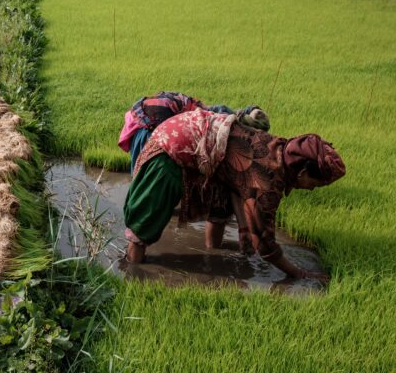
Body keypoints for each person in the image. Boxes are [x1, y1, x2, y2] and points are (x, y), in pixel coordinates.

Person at [123, 108, 345, 281]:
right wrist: (298, 273)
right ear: (303, 172)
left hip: (196, 139)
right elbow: (266, 244)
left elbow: (239, 186)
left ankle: (212, 251)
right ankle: (133, 272)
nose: (311, 189)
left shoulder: (276, 149)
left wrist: (243, 228)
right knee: (145, 225)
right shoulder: (267, 179)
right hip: (172, 148)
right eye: (314, 184)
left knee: (220, 203)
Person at [118, 91, 270, 171]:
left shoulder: (204, 115)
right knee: (152, 167)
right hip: (154, 122)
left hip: (154, 117)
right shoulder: (206, 118)